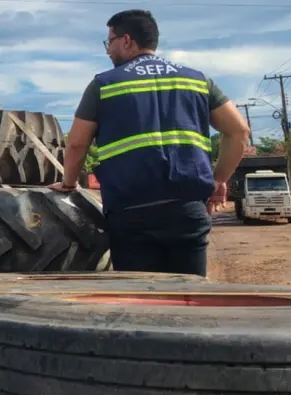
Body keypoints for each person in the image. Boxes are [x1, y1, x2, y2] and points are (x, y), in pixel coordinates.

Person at [51, 9, 250, 277]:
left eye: (109, 42)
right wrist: (218, 179)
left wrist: (69, 183)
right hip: (187, 211)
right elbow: (239, 131)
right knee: (189, 298)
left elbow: (76, 144)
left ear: (126, 40)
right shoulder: (197, 80)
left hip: (130, 214)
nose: (108, 51)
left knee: (140, 302)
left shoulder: (104, 84)